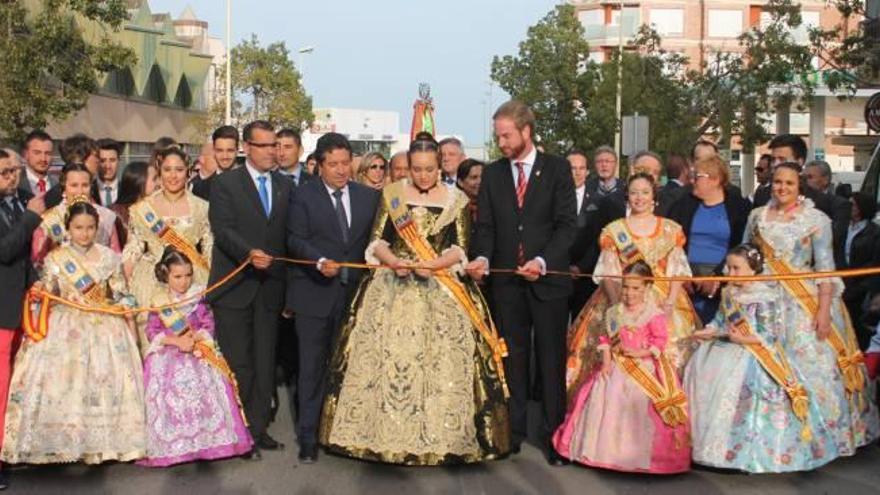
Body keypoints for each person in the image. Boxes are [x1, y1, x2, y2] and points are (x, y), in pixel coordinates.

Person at [320, 137, 510, 465]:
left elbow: (461, 247)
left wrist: (433, 265)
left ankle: (444, 436)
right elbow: (377, 240)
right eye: (417, 169)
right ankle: (380, 436)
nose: (423, 176)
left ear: (440, 167)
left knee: (442, 363)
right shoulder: (393, 195)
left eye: (430, 169)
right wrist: (393, 261)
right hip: (393, 284)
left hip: (441, 287)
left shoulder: (458, 199)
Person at [743, 161, 880, 454]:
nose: (782, 188)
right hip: (760, 297)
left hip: (802, 300)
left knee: (809, 366)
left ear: (800, 186)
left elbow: (826, 268)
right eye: (778, 182)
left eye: (789, 183)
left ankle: (816, 435)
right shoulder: (756, 216)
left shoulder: (816, 219)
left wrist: (823, 310)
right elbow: (744, 256)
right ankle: (764, 437)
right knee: (760, 364)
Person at [466, 100, 576, 466]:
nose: (501, 142)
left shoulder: (557, 170)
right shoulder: (494, 174)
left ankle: (553, 435)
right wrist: (481, 258)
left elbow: (566, 226)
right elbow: (486, 228)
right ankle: (512, 432)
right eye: (498, 136)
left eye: (507, 135)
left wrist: (542, 261)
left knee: (549, 360)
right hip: (506, 285)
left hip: (547, 282)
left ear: (527, 131)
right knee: (511, 359)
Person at [2, 201, 146, 464]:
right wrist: (41, 293)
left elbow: (121, 292)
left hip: (104, 325)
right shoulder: (57, 258)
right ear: (68, 228)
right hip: (66, 325)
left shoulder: (108, 257)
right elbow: (47, 290)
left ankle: (103, 443)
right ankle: (62, 442)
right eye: (79, 228)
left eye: (90, 228)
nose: (85, 233)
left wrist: (125, 305)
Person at [685, 244, 841, 472]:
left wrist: (744, 340)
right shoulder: (729, 292)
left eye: (736, 268)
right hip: (726, 347)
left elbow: (771, 334)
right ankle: (707, 449)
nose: (729, 273)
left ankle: (742, 455)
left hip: (753, 355)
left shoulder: (765, 295)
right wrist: (709, 330)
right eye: (728, 267)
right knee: (699, 373)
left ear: (754, 269)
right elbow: (720, 320)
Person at [286, 132, 380, 464]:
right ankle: (308, 437)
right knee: (311, 368)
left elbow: (377, 241)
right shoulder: (303, 196)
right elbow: (294, 238)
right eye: (334, 164)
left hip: (355, 296)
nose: (341, 170)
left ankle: (343, 433)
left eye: (345, 163)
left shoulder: (368, 197)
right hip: (314, 294)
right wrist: (318, 261)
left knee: (350, 368)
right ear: (321, 165)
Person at [567, 173, 697, 397]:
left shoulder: (671, 229)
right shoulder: (614, 230)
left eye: (645, 192)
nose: (640, 198)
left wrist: (669, 303)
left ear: (654, 196)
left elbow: (677, 271)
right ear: (627, 196)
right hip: (622, 296)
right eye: (634, 193)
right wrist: (620, 306)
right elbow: (609, 274)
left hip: (663, 300)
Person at [553, 261, 690, 474]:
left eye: (636, 288)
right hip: (617, 364)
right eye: (625, 287)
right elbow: (606, 339)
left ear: (647, 288)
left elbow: (660, 342)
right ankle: (602, 452)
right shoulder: (614, 312)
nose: (629, 292)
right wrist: (606, 361)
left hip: (644, 368)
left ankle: (636, 455)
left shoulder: (653, 314)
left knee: (639, 403)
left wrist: (642, 353)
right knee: (607, 394)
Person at [208, 120, 292, 460]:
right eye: (265, 145)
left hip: (271, 289)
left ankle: (258, 430)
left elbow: (288, 234)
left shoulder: (286, 186)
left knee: (264, 362)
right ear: (247, 148)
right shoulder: (226, 184)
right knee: (239, 364)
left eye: (275, 145)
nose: (272, 151)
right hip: (235, 287)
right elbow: (223, 228)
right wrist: (248, 253)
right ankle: (237, 432)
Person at [139, 247, 253, 467]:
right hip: (171, 350)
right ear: (166, 275)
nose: (184, 282)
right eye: (178, 277)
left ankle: (209, 441)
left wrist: (197, 338)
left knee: (208, 378)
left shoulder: (198, 296)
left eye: (188, 275)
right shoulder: (159, 300)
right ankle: (174, 445)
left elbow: (208, 323)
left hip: (198, 347)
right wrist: (176, 341)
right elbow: (152, 331)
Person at [123, 147, 213, 346]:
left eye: (179, 169)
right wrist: (123, 286)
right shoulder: (142, 209)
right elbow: (133, 247)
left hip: (192, 279)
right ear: (159, 172)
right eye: (167, 169)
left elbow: (209, 249)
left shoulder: (202, 207)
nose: (173, 175)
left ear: (188, 171)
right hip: (152, 282)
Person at [0, 150, 45, 489]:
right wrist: (31, 218)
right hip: (2, 309)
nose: (11, 177)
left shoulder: (21, 202)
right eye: (4, 172)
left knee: (16, 383)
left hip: (22, 307)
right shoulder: (26, 210)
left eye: (14, 171)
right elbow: (5, 250)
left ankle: (11, 448)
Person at [666, 156, 752, 325]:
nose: (692, 181)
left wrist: (717, 277)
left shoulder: (738, 207)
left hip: (723, 280)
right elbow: (671, 242)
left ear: (715, 180)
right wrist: (683, 276)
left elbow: (741, 244)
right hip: (687, 281)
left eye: (697, 176)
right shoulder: (682, 205)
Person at [31, 163, 121, 266]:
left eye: (85, 185)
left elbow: (116, 256)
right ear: (64, 188)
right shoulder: (49, 219)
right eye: (74, 185)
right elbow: (37, 262)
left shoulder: (106, 217)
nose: (80, 191)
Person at [841, 192, 880, 348]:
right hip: (842, 279)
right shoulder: (842, 226)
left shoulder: (874, 232)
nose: (850, 208)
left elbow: (875, 261)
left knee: (858, 324)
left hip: (861, 284)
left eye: (853, 205)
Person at [804, 160, 852, 268]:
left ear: (825, 180)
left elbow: (834, 237)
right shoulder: (798, 203)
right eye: (804, 178)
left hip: (829, 268)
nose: (806, 181)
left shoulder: (840, 205)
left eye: (810, 177)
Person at [566, 149, 592, 317]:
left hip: (586, 278)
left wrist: (581, 267)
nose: (577, 173)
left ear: (587, 171)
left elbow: (599, 240)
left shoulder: (600, 202)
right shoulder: (550, 199)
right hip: (557, 274)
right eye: (572, 168)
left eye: (581, 168)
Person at [109, 161, 159, 247]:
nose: (159, 183)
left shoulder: (156, 209)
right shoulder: (115, 213)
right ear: (139, 181)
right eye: (154, 179)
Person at [44, 134, 102, 207]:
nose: (98, 160)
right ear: (80, 157)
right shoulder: (56, 196)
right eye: (96, 156)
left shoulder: (94, 189)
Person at [193, 126, 240, 201]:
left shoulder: (252, 185)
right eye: (220, 150)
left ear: (237, 151)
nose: (225, 156)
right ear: (214, 151)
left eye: (230, 150)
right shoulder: (199, 189)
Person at [18, 130, 56, 196]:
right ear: (25, 154)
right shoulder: (15, 184)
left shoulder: (59, 185)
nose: (43, 159)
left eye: (48, 153)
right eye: (37, 153)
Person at [96, 138, 122, 207]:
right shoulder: (89, 190)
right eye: (102, 161)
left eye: (112, 160)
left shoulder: (127, 191)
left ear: (119, 161)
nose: (108, 166)